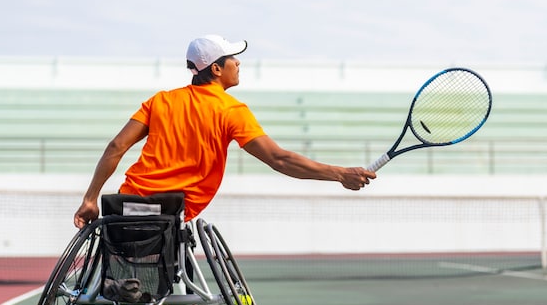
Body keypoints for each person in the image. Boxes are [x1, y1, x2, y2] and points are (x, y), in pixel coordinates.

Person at [74, 34, 377, 229]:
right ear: (216, 69)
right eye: (233, 59)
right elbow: (280, 160)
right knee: (165, 248)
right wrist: (339, 173)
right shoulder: (230, 110)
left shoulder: (161, 101)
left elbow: (116, 146)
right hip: (176, 210)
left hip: (129, 204)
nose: (238, 62)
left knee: (141, 259)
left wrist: (91, 198)